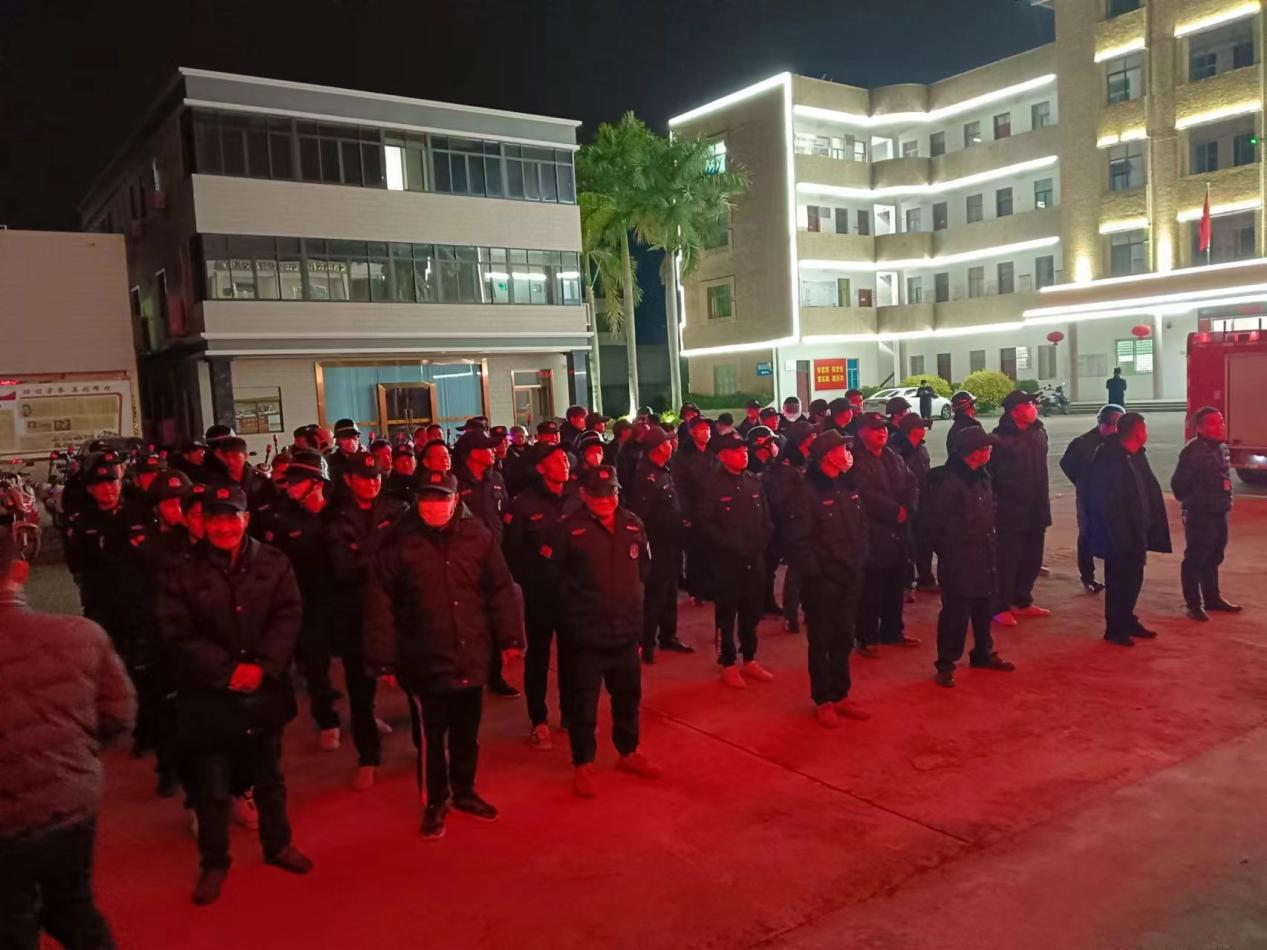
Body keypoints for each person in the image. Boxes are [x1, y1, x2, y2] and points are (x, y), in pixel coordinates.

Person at [158, 485, 312, 904]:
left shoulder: (274, 562)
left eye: (233, 517)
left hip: (264, 690)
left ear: (246, 519)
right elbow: (177, 632)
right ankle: (214, 863)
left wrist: (262, 666)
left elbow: (288, 616)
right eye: (216, 518)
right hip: (208, 695)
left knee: (270, 778)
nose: (224, 527)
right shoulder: (180, 570)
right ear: (202, 522)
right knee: (211, 787)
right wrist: (227, 672)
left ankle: (278, 844)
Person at [363, 471, 522, 840]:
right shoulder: (398, 542)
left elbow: (499, 589)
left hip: (471, 652)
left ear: (456, 500)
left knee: (467, 732)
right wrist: (384, 658)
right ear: (418, 501)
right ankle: (435, 801)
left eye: (442, 498)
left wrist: (510, 637)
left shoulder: (478, 536)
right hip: (423, 657)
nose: (435, 505)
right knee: (432, 738)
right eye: (428, 498)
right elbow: (380, 605)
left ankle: (464, 790)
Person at [0, 533, 135, 947]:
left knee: (11, 923)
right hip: (69, 802)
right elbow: (118, 715)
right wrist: (72, 754)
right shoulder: (81, 634)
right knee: (74, 907)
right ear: (20, 571)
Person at [545, 466, 662, 798]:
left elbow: (643, 570)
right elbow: (553, 581)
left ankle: (629, 751)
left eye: (610, 493)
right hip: (586, 635)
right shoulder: (568, 529)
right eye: (597, 495)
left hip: (625, 631)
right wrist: (574, 619)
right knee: (583, 703)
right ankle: (583, 763)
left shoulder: (633, 524)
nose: (605, 500)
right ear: (584, 494)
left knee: (628, 697)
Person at [325, 452, 406, 790]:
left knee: (417, 685)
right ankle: (368, 757)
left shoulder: (398, 510)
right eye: (364, 477)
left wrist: (365, 553)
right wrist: (381, 557)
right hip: (355, 615)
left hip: (398, 612)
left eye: (376, 477)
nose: (372, 483)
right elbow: (341, 568)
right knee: (360, 692)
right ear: (348, 480)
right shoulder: (336, 518)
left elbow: (407, 558)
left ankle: (427, 746)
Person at [783, 430, 871, 727]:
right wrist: (817, 574)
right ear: (828, 456)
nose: (848, 453)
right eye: (842, 449)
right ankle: (823, 700)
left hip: (850, 575)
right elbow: (799, 540)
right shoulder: (806, 490)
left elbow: (861, 527)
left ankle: (841, 694)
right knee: (821, 641)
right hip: (823, 582)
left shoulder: (847, 484)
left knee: (844, 637)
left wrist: (859, 560)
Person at [256, 450, 341, 750]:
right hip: (299, 604)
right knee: (311, 667)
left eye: (297, 481)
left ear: (317, 483)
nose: (290, 486)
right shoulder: (279, 514)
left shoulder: (336, 511)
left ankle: (360, 716)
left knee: (353, 666)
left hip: (337, 600)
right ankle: (325, 720)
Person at [920, 427, 1015, 687]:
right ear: (972, 452)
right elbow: (932, 523)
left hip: (984, 554)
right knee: (956, 613)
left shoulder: (983, 475)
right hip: (959, 558)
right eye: (985, 448)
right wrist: (949, 550)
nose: (990, 451)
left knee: (984, 607)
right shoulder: (947, 481)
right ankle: (946, 663)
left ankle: (983, 653)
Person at [503, 443, 581, 750]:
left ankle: (569, 713)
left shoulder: (578, 497)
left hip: (573, 593)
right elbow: (513, 555)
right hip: (541, 595)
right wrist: (539, 576)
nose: (564, 464)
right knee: (538, 658)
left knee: (572, 656)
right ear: (540, 468)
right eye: (556, 460)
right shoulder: (522, 505)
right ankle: (538, 719)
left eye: (565, 459)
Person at [1084, 413, 1170, 646]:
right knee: (1118, 580)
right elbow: (1104, 501)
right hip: (1119, 533)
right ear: (1137, 431)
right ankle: (1115, 627)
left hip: (1138, 530)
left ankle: (1128, 619)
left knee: (1133, 578)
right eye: (1144, 428)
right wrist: (1117, 532)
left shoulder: (1136, 455)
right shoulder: (1109, 458)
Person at [698, 431, 775, 687]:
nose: (744, 455)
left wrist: (761, 542)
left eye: (744, 450)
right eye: (737, 451)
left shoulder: (753, 481)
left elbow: (766, 518)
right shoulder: (711, 485)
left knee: (752, 611)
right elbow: (706, 524)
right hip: (727, 562)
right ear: (722, 455)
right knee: (727, 613)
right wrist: (729, 545)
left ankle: (750, 658)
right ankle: (728, 662)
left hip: (754, 558)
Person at [454, 429, 519, 698]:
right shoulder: (455, 482)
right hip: (466, 563)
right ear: (472, 453)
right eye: (487, 447)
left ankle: (494, 675)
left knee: (495, 616)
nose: (494, 451)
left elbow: (504, 515)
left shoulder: (496, 478)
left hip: (496, 557)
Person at [850, 413, 919, 656]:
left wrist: (908, 508)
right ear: (862, 432)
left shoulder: (893, 456)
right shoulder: (855, 460)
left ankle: (893, 631)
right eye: (876, 428)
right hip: (873, 532)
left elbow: (911, 483)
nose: (882, 432)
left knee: (894, 586)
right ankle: (866, 636)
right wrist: (894, 511)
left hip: (898, 532)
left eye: (884, 428)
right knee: (872, 589)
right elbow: (865, 494)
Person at [626, 426, 692, 663]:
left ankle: (668, 635)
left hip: (672, 542)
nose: (671, 445)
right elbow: (642, 516)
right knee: (656, 594)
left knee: (670, 591)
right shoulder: (646, 477)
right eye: (666, 442)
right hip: (658, 544)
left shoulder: (664, 469)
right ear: (657, 448)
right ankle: (646, 642)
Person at [1172, 407, 1241, 621]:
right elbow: (1178, 486)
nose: (1219, 426)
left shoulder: (1221, 448)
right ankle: (1193, 604)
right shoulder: (1193, 452)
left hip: (1219, 511)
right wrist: (1195, 502)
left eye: (1220, 421)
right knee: (1195, 558)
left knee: (1214, 555)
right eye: (1212, 423)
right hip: (1201, 514)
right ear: (1199, 428)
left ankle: (1212, 598)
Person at [989, 391, 1052, 627]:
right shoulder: (999, 439)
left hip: (1037, 507)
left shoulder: (1038, 432)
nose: (1033, 407)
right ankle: (999, 606)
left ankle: (1022, 600)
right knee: (1008, 561)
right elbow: (991, 477)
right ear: (1014, 411)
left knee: (1032, 558)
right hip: (1011, 510)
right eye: (1028, 404)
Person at [1059, 405, 1123, 594]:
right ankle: (1088, 576)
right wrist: (1084, 483)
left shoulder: (1120, 441)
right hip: (1089, 496)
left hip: (1115, 496)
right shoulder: (1082, 443)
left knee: (1116, 533)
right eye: (1113, 425)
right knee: (1087, 534)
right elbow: (1067, 465)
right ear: (1102, 424)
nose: (1116, 429)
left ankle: (1115, 575)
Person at [766, 421, 815, 633]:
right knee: (797, 571)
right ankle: (791, 615)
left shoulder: (808, 462)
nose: (815, 439)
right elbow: (781, 502)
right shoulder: (786, 469)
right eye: (812, 436)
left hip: (810, 523)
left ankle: (808, 611)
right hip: (794, 527)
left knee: (809, 570)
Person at [890, 414, 935, 592]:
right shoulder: (897, 452)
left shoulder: (921, 448)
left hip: (924, 502)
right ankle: (905, 583)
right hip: (906, 503)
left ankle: (925, 578)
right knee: (907, 544)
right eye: (920, 426)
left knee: (925, 541)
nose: (924, 429)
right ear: (911, 430)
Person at [674, 415, 716, 607]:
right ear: (692, 432)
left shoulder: (712, 453)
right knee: (695, 553)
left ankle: (710, 588)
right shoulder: (683, 456)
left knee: (711, 551)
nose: (706, 432)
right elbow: (681, 488)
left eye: (708, 429)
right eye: (701, 429)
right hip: (694, 511)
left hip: (712, 510)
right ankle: (696, 590)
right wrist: (686, 514)